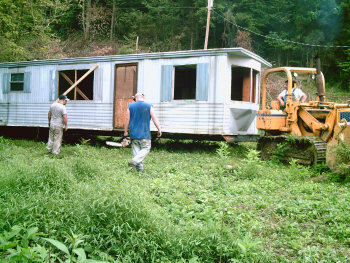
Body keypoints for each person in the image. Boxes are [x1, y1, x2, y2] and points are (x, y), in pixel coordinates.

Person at [124, 93, 162, 172]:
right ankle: (134, 161)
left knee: (136, 152)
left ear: (135, 98)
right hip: (144, 134)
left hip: (133, 134)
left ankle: (139, 171)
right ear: (143, 97)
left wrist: (125, 131)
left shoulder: (130, 106)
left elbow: (127, 119)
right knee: (146, 148)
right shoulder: (149, 106)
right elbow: (154, 118)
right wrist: (159, 129)